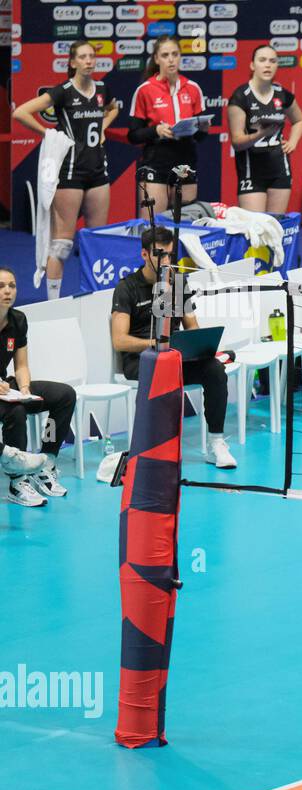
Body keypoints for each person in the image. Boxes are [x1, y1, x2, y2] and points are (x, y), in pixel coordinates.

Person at [109, 228, 236, 469]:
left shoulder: (177, 282)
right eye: (160, 255)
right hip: (141, 361)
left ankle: (216, 444)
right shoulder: (127, 288)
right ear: (144, 254)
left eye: (169, 255)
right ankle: (155, 448)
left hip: (174, 357)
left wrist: (200, 345)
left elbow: (191, 324)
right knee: (165, 371)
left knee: (214, 369)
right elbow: (120, 340)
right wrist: (156, 344)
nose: (166, 261)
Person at [13, 40, 118, 300]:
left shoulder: (102, 89)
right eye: (82, 57)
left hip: (98, 172)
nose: (88, 61)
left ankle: (96, 298)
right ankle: (54, 302)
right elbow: (21, 113)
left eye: (92, 56)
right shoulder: (63, 92)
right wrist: (48, 134)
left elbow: (113, 108)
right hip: (70, 173)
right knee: (61, 244)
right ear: (72, 63)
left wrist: (103, 126)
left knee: (96, 240)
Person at [0, 267, 75, 506]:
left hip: (6, 388)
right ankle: (17, 480)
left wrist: (23, 388)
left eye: (12, 286)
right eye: (1, 286)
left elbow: (21, 365)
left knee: (64, 395)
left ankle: (46, 461)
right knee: (16, 411)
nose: (7, 291)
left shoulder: (18, 320)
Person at [128, 35, 207, 219]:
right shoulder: (145, 90)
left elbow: (200, 138)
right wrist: (155, 130)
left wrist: (202, 128)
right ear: (156, 59)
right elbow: (133, 135)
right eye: (165, 55)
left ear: (180, 56)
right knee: (153, 228)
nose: (171, 59)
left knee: (185, 228)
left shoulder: (193, 88)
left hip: (186, 161)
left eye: (175, 54)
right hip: (156, 162)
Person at [228, 44, 302, 216]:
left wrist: (292, 142)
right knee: (254, 231)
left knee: (276, 228)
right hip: (251, 171)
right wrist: (261, 134)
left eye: (272, 61)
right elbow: (237, 142)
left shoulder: (282, 94)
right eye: (262, 60)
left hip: (279, 168)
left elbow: (299, 120)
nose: (267, 65)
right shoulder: (241, 96)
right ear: (252, 65)